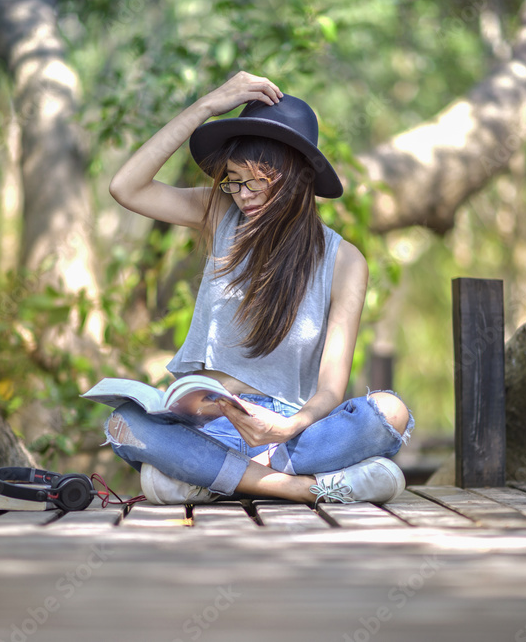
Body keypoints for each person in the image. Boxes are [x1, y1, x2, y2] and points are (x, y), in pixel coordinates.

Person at [105, 71, 413, 505]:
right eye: (233, 179)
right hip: (207, 423)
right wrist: (207, 106)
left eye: (256, 181)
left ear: (298, 177)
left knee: (390, 412)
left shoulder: (345, 262)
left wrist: (287, 427)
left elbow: (330, 388)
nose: (243, 194)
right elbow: (126, 187)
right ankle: (300, 488)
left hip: (288, 431)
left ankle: (213, 478)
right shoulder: (221, 214)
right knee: (124, 424)